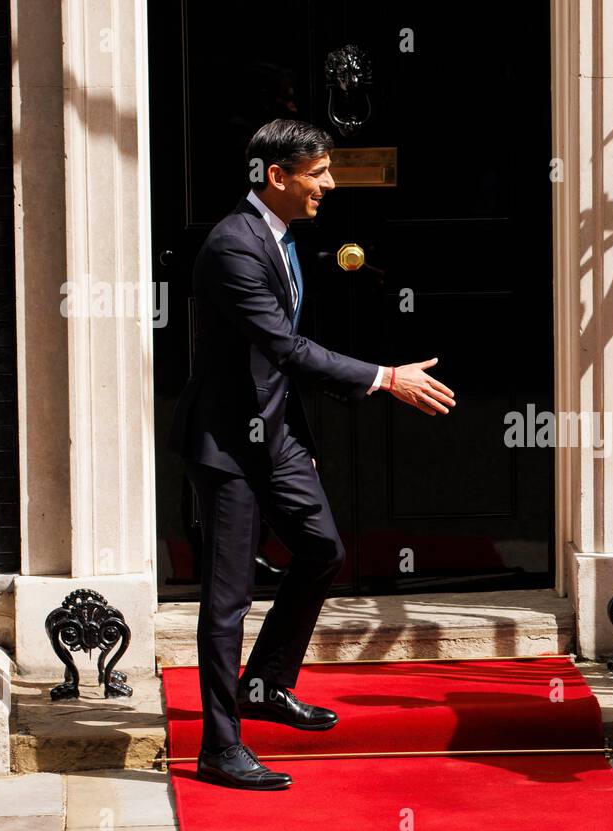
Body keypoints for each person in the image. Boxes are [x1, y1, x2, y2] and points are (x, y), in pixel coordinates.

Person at [168, 118, 456, 790]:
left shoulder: (283, 238)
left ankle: (265, 683)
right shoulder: (232, 247)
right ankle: (219, 745)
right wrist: (386, 377)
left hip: (276, 433)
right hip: (227, 444)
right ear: (277, 176)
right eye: (318, 172)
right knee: (228, 595)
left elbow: (272, 365)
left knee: (322, 550)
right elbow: (284, 348)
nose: (329, 184)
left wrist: (295, 435)